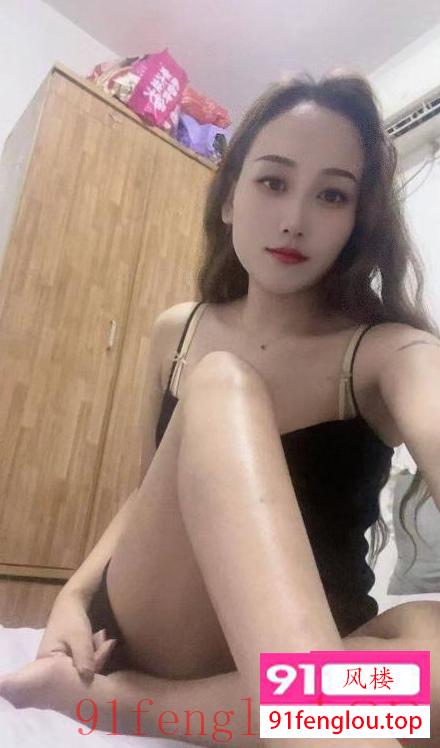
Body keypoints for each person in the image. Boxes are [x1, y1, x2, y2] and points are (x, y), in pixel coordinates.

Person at [2, 69, 440, 748]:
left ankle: (123, 706)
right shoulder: (178, 333)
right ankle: (322, 727)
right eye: (273, 181)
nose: (295, 218)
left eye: (332, 195)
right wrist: (71, 595)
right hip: (168, 622)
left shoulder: (387, 353)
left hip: (319, 643)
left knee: (431, 649)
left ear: (357, 222)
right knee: (223, 384)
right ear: (230, 196)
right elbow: (142, 496)